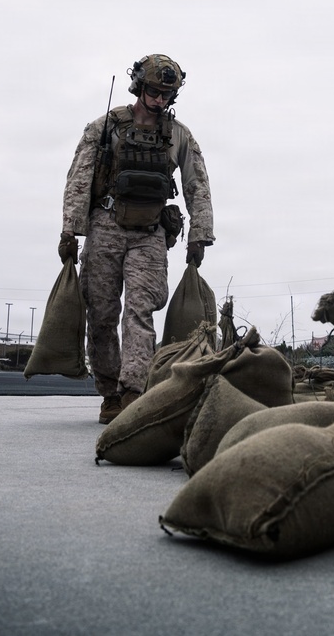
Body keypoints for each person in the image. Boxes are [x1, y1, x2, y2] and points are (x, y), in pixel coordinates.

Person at [59, 54, 215, 424]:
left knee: (139, 311)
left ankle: (133, 393)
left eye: (166, 94)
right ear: (139, 87)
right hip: (106, 226)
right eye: (154, 92)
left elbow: (198, 185)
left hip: (149, 234)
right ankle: (109, 391)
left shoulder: (179, 135)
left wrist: (200, 235)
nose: (160, 100)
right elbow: (79, 178)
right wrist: (70, 229)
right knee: (101, 313)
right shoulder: (106, 127)